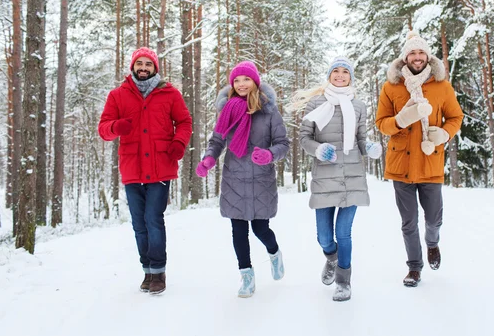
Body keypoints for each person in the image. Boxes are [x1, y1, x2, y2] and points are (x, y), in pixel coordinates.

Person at [98, 47, 192, 295]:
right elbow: (104, 129)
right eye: (139, 63)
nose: (143, 68)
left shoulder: (169, 93)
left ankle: (159, 272)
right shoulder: (118, 95)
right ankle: (147, 271)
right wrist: (117, 126)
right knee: (139, 223)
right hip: (132, 168)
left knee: (153, 219)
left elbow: (184, 122)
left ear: (155, 68)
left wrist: (179, 143)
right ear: (132, 66)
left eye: (148, 64)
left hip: (161, 166)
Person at [375, 31, 463, 287]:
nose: (417, 57)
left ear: (428, 56)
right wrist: (400, 121)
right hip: (400, 164)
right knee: (409, 222)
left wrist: (444, 134)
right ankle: (414, 268)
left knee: (434, 218)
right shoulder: (391, 87)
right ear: (405, 57)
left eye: (421, 52)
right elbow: (381, 123)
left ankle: (433, 243)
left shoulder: (441, 85)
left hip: (430, 161)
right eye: (412, 53)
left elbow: (456, 117)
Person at [195, 61, 289, 298]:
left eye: (245, 79)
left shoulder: (268, 111)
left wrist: (269, 154)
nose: (241, 84)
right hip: (234, 179)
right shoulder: (227, 109)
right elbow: (217, 141)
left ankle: (274, 252)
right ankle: (247, 277)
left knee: (261, 229)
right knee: (238, 231)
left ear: (255, 82)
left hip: (261, 179)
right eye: (236, 80)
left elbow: (282, 143)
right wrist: (208, 159)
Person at [294, 56, 382, 302]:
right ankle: (331, 258)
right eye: (336, 71)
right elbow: (304, 138)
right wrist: (318, 149)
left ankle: (344, 282)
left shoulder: (359, 106)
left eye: (345, 72)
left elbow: (362, 139)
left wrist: (371, 149)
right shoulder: (316, 103)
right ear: (329, 75)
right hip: (324, 176)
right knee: (324, 236)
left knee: (343, 232)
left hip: (352, 177)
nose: (340, 75)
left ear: (351, 77)